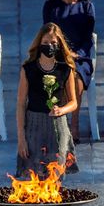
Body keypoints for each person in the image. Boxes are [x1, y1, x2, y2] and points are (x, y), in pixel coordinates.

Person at [16, 22, 79, 178]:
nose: (49, 46)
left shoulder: (65, 69)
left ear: (58, 45)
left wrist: (61, 110)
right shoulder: (28, 69)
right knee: (33, 175)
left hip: (57, 125)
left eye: (53, 43)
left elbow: (73, 102)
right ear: (39, 44)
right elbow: (20, 103)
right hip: (34, 124)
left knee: (55, 175)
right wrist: (21, 138)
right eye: (45, 43)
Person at [42, 0, 95, 144]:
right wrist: (62, 53)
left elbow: (88, 39)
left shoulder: (86, 7)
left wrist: (75, 53)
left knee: (75, 78)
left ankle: (74, 125)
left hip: (80, 58)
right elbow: (47, 33)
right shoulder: (51, 7)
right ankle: (55, 124)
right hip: (56, 55)